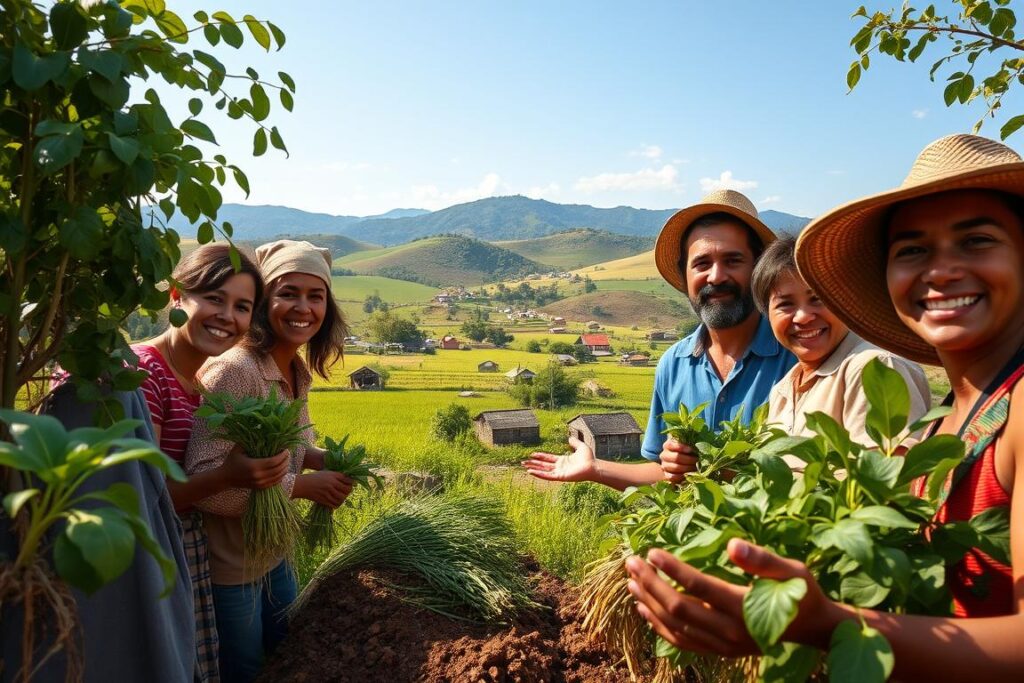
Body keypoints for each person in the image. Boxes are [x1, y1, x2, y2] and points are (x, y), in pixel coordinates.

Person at [626, 134, 1024, 679]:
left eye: (977, 240)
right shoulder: (960, 412)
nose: (942, 271)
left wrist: (824, 624)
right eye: (912, 250)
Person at [524, 190, 795, 489]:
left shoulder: (797, 353)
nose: (716, 276)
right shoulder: (674, 364)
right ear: (685, 275)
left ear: (758, 269)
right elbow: (662, 474)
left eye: (733, 260)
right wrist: (595, 468)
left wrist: (719, 468)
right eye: (702, 264)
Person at [185, 239, 354, 683]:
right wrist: (301, 486)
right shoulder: (235, 371)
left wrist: (323, 460)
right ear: (264, 304)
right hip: (232, 566)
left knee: (286, 655)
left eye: (315, 296)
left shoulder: (293, 370)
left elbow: (289, 450)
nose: (303, 307)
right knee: (247, 671)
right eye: (288, 293)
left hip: (274, 552)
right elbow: (205, 481)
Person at [132, 243, 290, 682]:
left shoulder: (199, 383)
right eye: (214, 299)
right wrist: (228, 475)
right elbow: (149, 500)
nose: (227, 316)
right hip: (153, 563)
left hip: (190, 557)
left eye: (242, 306)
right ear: (177, 295)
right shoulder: (145, 374)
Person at [750, 236, 932, 466]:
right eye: (785, 304)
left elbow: (887, 481)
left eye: (817, 299)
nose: (803, 316)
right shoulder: (783, 391)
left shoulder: (874, 369)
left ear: (842, 301)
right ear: (767, 314)